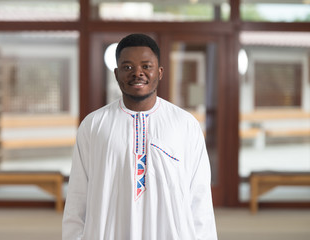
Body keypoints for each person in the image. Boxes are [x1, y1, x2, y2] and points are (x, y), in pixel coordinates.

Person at [62, 33, 218, 240]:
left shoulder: (185, 125)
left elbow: (200, 199)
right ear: (116, 73)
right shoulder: (93, 125)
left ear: (160, 72)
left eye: (146, 66)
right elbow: (77, 197)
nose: (138, 73)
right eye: (127, 67)